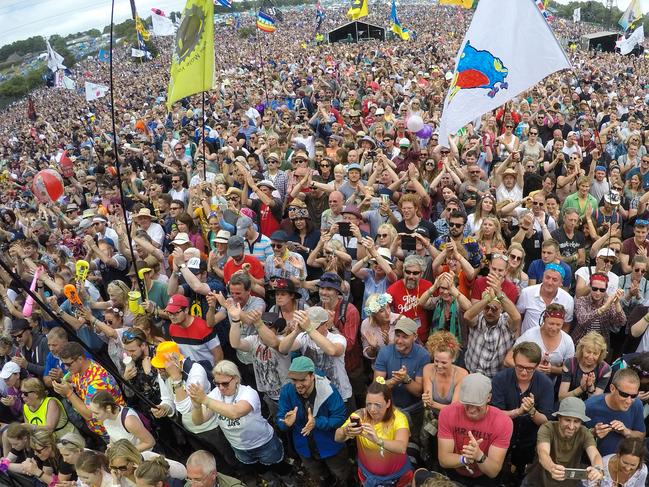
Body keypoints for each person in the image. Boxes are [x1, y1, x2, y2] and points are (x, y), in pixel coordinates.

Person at [187, 360, 294, 486]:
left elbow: (235, 412)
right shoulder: (215, 394)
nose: (221, 387)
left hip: (263, 442)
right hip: (239, 447)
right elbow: (198, 421)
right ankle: (272, 482)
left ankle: (289, 482)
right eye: (217, 383)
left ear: (236, 379)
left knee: (279, 465)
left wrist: (205, 399)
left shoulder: (248, 393)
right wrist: (197, 406)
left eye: (225, 383)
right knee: (259, 469)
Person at [276, 356, 349, 486]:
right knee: (319, 475)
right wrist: (285, 423)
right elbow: (280, 418)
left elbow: (340, 418)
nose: (298, 385)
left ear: (312, 376)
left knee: (340, 472)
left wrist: (317, 422)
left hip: (331, 446)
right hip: (304, 448)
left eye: (302, 380)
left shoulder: (328, 391)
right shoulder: (287, 391)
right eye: (294, 380)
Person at [491, 341, 555, 483]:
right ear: (513, 361)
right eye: (520, 367)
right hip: (501, 438)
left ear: (537, 365)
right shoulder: (500, 379)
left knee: (522, 477)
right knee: (495, 475)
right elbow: (495, 415)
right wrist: (519, 411)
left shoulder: (545, 384)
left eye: (530, 368)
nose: (524, 372)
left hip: (529, 441)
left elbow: (546, 421)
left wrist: (532, 411)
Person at [437, 373, 513, 486]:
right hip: (454, 472)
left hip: (484, 477)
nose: (471, 410)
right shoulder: (447, 413)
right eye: (467, 404)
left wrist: (479, 456)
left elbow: (493, 472)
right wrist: (465, 459)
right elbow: (444, 460)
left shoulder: (503, 422)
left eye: (477, 404)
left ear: (489, 398)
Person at [334, 377, 412, 487]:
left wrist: (377, 440)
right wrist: (345, 430)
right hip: (368, 476)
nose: (372, 409)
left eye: (377, 405)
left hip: (397, 478)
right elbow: (337, 437)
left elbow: (402, 447)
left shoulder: (399, 418)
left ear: (388, 403)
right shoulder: (360, 416)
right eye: (368, 404)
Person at [521, 397, 604, 487]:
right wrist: (552, 467)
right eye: (567, 420)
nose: (571, 427)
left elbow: (595, 454)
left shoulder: (584, 432)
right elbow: (543, 453)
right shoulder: (547, 428)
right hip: (537, 482)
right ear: (559, 418)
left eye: (576, 421)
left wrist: (598, 469)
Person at [51, 342, 124, 442]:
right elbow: (80, 381)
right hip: (105, 429)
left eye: (68, 364)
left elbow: (89, 414)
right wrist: (65, 380)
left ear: (80, 359)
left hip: (115, 429)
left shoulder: (96, 381)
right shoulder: (83, 368)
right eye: (64, 364)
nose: (66, 368)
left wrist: (68, 393)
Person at [374, 317, 430, 433]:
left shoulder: (423, 355)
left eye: (405, 337)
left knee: (413, 446)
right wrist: (393, 381)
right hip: (390, 409)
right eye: (397, 335)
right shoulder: (384, 352)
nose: (399, 340)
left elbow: (419, 391)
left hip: (414, 410)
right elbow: (377, 387)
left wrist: (406, 379)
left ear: (415, 337)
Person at [505, 304, 575, 384]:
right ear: (544, 321)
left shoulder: (567, 341)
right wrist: (530, 368)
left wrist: (552, 369)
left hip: (549, 386)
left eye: (558, 325)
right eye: (551, 324)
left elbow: (570, 370)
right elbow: (508, 360)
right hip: (523, 381)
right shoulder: (530, 335)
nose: (554, 328)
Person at [464, 283, 521, 378]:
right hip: (472, 373)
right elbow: (467, 316)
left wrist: (499, 295)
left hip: (497, 378)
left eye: (494, 309)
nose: (490, 312)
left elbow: (517, 318)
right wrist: (486, 299)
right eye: (486, 308)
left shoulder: (506, 321)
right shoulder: (478, 318)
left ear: (501, 309)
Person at [585, 368, 646, 456]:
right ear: (612, 388)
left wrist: (626, 432)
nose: (629, 401)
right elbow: (572, 436)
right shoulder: (590, 406)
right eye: (624, 395)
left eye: (634, 396)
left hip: (623, 463)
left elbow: (641, 435)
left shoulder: (637, 404)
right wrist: (593, 432)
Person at [89, 391, 156, 452]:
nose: (93, 416)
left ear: (108, 408)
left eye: (96, 413)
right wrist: (112, 445)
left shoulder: (129, 421)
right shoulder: (105, 418)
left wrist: (124, 453)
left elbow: (150, 442)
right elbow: (113, 435)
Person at [516, 264, 574, 334]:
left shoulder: (568, 300)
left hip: (552, 342)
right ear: (542, 278)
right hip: (527, 341)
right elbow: (518, 316)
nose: (549, 282)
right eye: (547, 277)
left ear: (561, 283)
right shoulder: (527, 292)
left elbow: (566, 325)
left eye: (554, 280)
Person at [387, 254, 433, 343]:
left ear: (422, 273)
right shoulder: (393, 288)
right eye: (408, 272)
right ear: (403, 271)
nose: (411, 276)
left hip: (423, 338)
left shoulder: (428, 286)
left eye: (415, 273)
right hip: (402, 339)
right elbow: (383, 311)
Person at [571, 273, 626, 348]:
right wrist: (603, 308)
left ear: (606, 290)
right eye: (595, 289)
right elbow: (582, 320)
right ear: (590, 287)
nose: (598, 292)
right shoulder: (582, 300)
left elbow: (621, 322)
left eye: (602, 290)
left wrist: (617, 303)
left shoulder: (609, 303)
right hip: (580, 343)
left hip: (600, 345)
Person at [422, 331, 468, 413]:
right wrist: (426, 400)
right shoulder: (428, 369)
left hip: (452, 417)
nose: (439, 366)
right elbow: (427, 402)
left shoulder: (462, 374)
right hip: (432, 416)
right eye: (436, 361)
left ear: (453, 359)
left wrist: (432, 403)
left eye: (444, 362)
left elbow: (454, 408)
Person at [558, 331, 612, 401]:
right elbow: (561, 397)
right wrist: (581, 389)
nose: (590, 357)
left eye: (595, 354)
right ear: (582, 349)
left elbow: (595, 402)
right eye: (588, 352)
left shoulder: (605, 370)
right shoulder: (570, 363)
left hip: (590, 407)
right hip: (569, 402)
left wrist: (590, 387)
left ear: (600, 354)